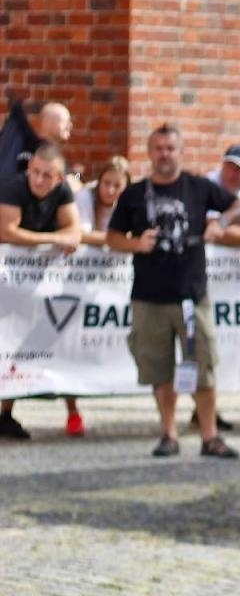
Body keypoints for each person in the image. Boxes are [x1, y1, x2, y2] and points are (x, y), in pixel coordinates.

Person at [105, 123, 240, 459]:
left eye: (170, 148)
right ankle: (169, 433)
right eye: (158, 148)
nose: (164, 154)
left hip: (191, 295)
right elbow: (112, 238)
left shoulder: (198, 188)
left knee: (202, 367)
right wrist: (136, 244)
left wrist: (220, 224)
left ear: (180, 152)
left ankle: (209, 436)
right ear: (149, 152)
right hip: (149, 296)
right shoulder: (135, 194)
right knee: (159, 370)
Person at [0, 144, 84, 440]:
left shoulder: (62, 193)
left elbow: (74, 229)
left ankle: (7, 412)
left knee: (24, 344)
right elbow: (8, 232)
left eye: (46, 175)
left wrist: (65, 237)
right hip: (8, 278)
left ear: (59, 178)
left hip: (32, 283)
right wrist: (53, 238)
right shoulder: (12, 188)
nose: (38, 180)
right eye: (35, 172)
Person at [74, 156, 132, 247]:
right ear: (99, 181)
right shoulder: (85, 195)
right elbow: (80, 234)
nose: (110, 191)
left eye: (117, 186)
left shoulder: (131, 201)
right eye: (106, 183)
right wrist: (118, 239)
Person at [3, 101, 71, 172]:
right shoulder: (44, 153)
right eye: (64, 121)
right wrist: (77, 176)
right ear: (47, 123)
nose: (69, 125)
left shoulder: (31, 146)